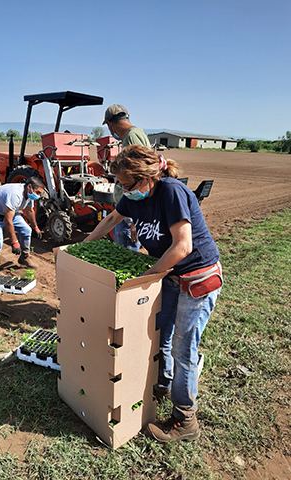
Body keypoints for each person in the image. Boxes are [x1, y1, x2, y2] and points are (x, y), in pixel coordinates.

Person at [84, 144, 222, 443]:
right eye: (121, 185)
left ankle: (186, 419)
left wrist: (146, 277)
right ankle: (163, 383)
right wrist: (82, 247)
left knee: (183, 349)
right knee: (160, 334)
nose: (125, 191)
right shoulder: (133, 196)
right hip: (170, 276)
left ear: (148, 176)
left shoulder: (171, 192)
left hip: (197, 278)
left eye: (128, 185)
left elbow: (183, 246)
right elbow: (110, 220)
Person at [103, 104, 151, 252]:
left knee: (125, 255)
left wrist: (135, 220)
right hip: (128, 210)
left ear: (110, 125)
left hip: (129, 212)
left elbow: (141, 178)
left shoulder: (131, 138)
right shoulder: (137, 133)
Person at [0, 177, 46, 279]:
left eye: (39, 193)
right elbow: (7, 221)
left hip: (9, 211)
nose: (38, 196)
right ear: (29, 187)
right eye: (37, 192)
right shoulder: (15, 195)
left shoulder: (29, 194)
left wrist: (35, 227)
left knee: (27, 230)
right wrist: (14, 242)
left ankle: (24, 257)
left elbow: (29, 211)